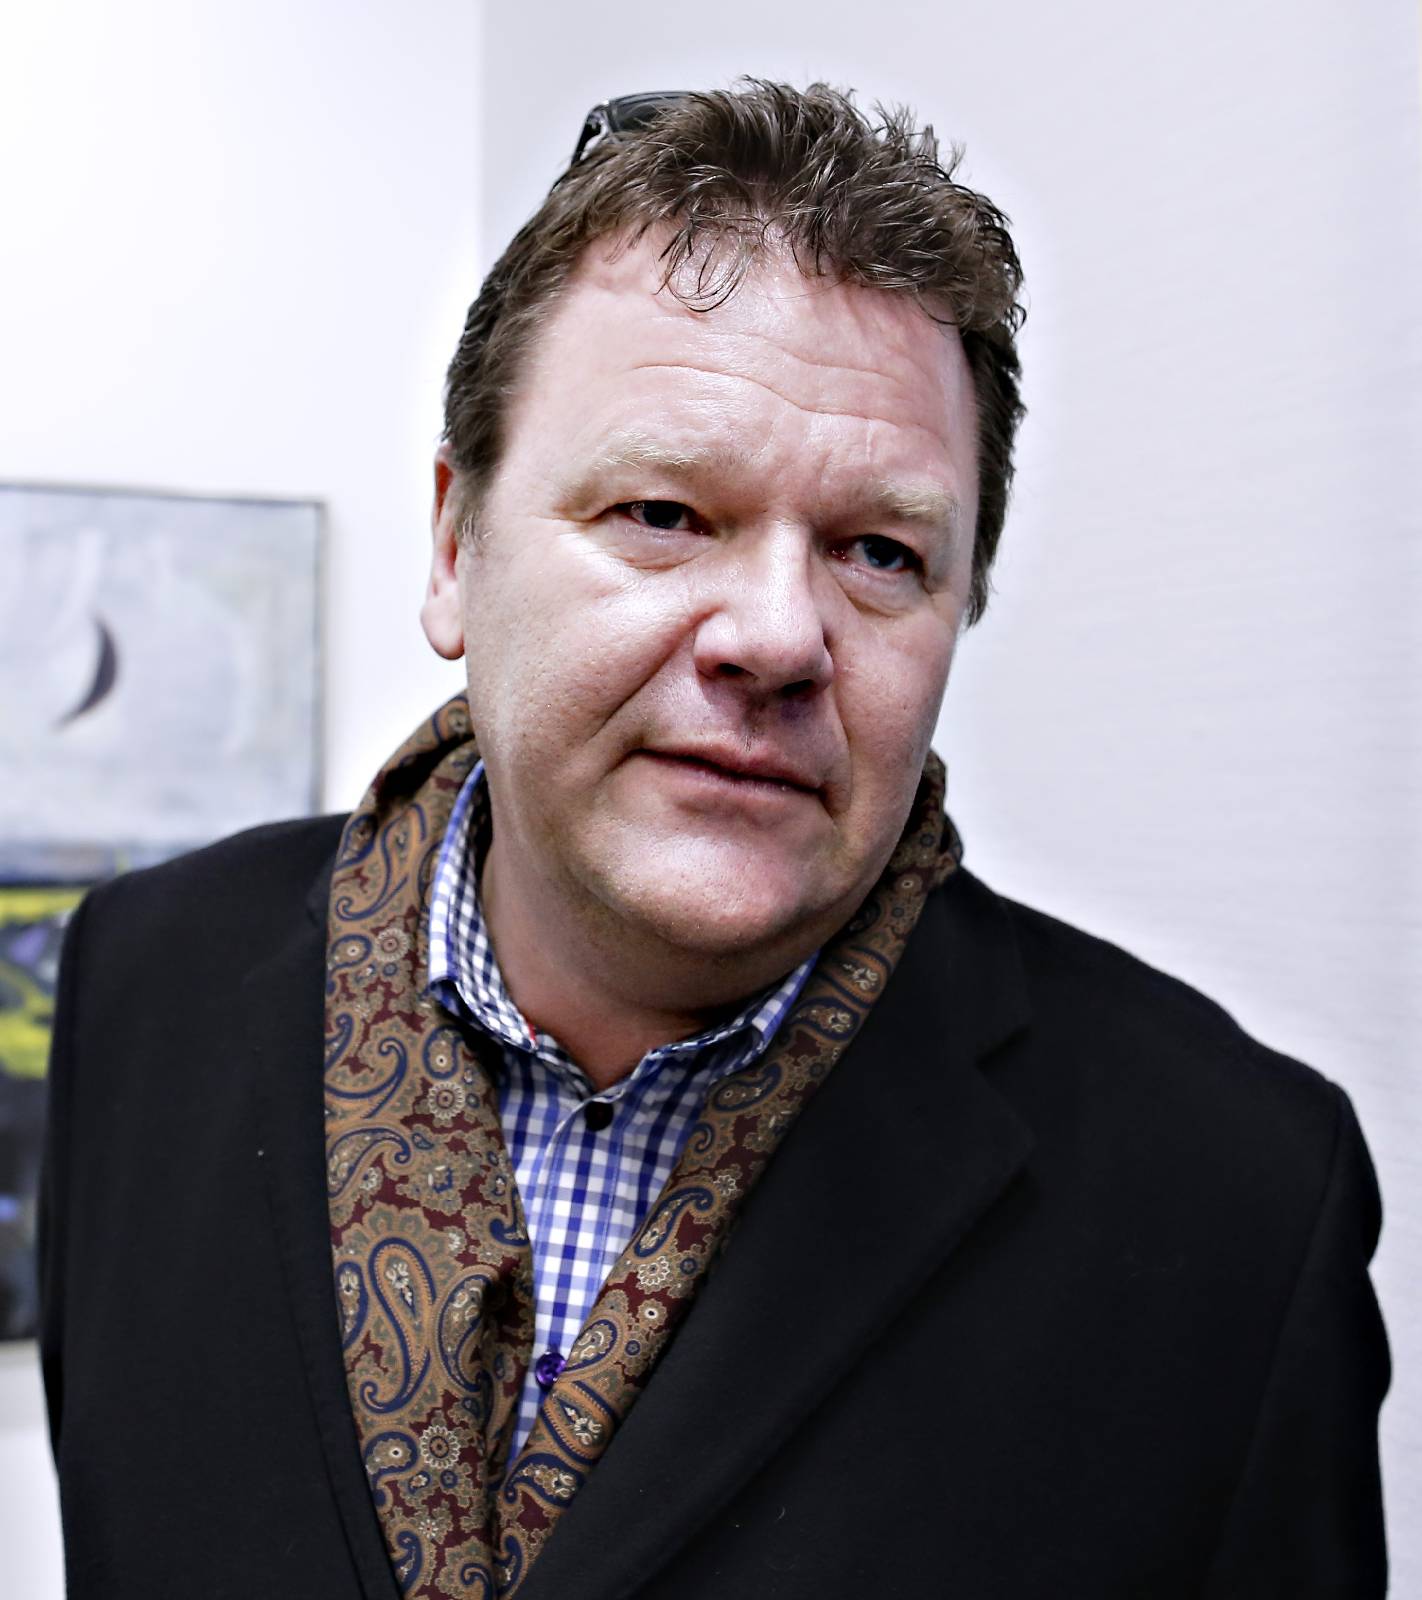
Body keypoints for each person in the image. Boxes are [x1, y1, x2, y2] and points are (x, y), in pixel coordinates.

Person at [40, 81, 1388, 1600]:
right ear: (454, 545)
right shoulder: (146, 986)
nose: (776, 637)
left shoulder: (1234, 1201)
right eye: (665, 513)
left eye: (879, 551)